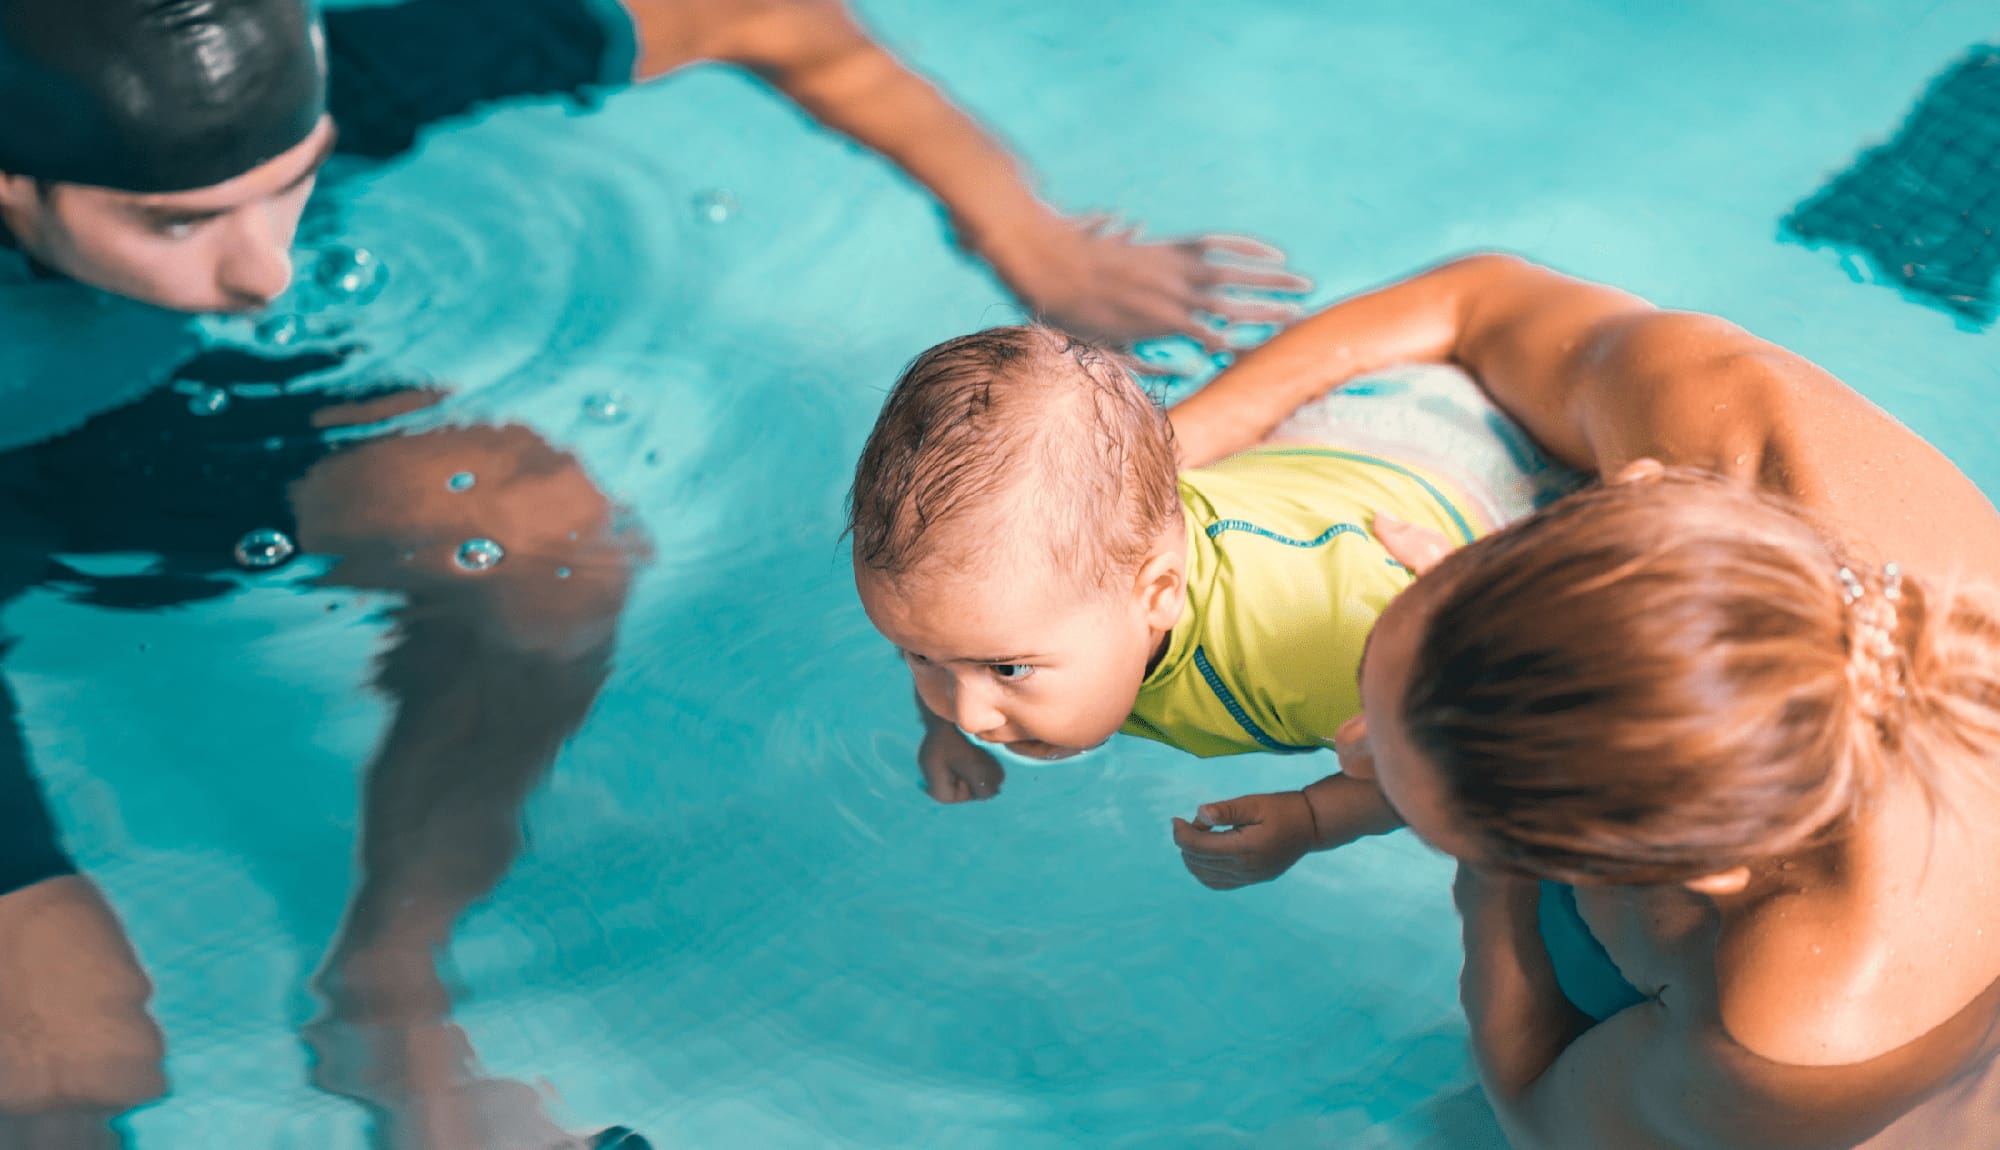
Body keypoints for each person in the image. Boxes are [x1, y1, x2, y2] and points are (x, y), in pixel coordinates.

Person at [1179, 252, 2000, 1147]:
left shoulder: (1797, 1023)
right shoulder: (1741, 425)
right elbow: (1472, 303)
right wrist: (1153, 473)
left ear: (1694, 875)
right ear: (1635, 490)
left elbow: (1537, 1109)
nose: (1348, 748)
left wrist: (1489, 886)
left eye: (1455, 824)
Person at [844, 324, 1563, 886]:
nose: (966, 712)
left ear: (1156, 594)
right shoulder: (1010, 604)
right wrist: (941, 730)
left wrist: (1314, 818)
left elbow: (1445, 765)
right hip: (1314, 457)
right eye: (919, 658)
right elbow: (948, 632)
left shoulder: (1330, 647)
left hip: (1470, 460)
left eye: (1005, 670)